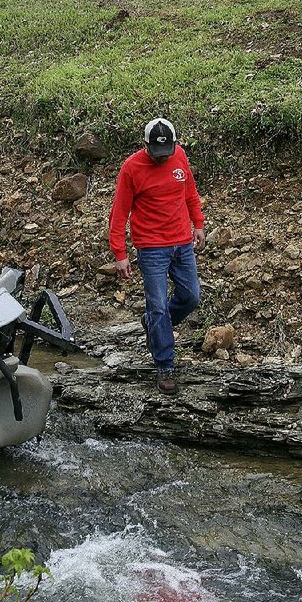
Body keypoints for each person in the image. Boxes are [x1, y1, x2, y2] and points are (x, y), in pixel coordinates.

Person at [109, 118, 205, 396]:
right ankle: (165, 365)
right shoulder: (132, 168)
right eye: (156, 153)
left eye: (168, 152)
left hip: (182, 242)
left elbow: (190, 193)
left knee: (191, 297)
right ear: (145, 146)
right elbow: (119, 212)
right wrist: (120, 252)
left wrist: (198, 223)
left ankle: (153, 324)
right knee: (159, 306)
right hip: (151, 247)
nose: (163, 159)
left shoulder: (180, 156)